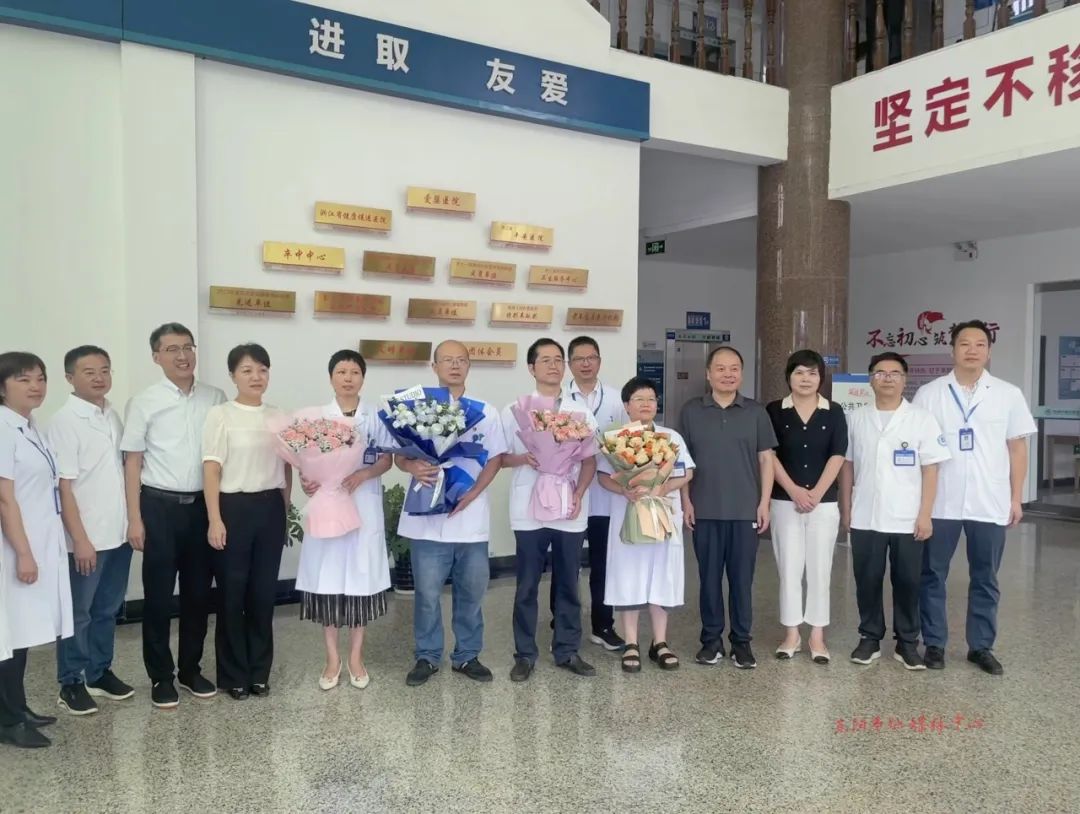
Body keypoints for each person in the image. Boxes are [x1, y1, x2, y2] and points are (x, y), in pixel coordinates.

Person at [912, 320, 1036, 676]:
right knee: (932, 574)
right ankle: (934, 644)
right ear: (952, 349)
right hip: (941, 501)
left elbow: (1017, 449)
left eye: (980, 344)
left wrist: (1016, 498)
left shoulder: (1008, 394)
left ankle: (980, 647)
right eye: (964, 343)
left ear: (989, 351)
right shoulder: (930, 393)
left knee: (986, 576)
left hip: (990, 499)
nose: (972, 350)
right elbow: (920, 449)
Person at [121, 323, 225, 709]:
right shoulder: (143, 401)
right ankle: (160, 676)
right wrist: (135, 518)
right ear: (156, 357)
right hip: (159, 507)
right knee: (159, 597)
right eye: (171, 349)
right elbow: (133, 463)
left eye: (187, 347)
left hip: (202, 508)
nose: (182, 356)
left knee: (198, 594)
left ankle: (190, 670)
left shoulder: (215, 397)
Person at [397, 341, 507, 687]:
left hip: (470, 516)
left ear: (469, 366)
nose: (455, 365)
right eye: (447, 360)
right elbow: (400, 456)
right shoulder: (416, 410)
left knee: (471, 592)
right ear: (434, 367)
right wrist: (412, 466)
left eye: (461, 360)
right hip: (427, 518)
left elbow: (496, 458)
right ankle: (427, 656)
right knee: (427, 594)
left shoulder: (485, 411)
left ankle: (467, 655)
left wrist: (474, 493)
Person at [839, 352, 949, 670]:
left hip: (908, 517)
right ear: (870, 378)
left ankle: (907, 642)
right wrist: (846, 507)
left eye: (894, 373)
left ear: (904, 379)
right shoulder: (856, 418)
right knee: (867, 579)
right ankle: (870, 637)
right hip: (866, 515)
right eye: (880, 372)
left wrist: (925, 514)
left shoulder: (922, 419)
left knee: (908, 581)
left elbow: (931, 469)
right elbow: (847, 467)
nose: (887, 378)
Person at [295, 350, 392, 691]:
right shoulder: (316, 419)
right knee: (329, 580)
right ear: (331, 377)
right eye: (341, 371)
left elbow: (386, 460)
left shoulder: (376, 417)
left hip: (363, 503)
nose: (348, 377)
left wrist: (364, 474)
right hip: (329, 506)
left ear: (363, 377)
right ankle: (332, 658)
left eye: (354, 372)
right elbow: (305, 462)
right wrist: (306, 480)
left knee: (360, 582)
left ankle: (356, 657)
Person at [503, 338, 598, 682]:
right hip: (528, 506)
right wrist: (524, 458)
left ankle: (567, 650)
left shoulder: (580, 411)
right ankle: (525, 654)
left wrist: (580, 492)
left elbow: (590, 460)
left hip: (569, 505)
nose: (554, 365)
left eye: (559, 359)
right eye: (546, 360)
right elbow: (500, 458)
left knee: (569, 582)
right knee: (527, 583)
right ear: (531, 368)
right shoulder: (514, 409)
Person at [47, 346, 134, 716]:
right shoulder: (65, 421)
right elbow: (63, 487)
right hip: (85, 539)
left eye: (105, 370)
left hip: (118, 533)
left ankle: (99, 673)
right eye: (89, 372)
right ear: (70, 378)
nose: (99, 378)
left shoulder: (111, 414)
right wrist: (80, 540)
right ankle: (71, 682)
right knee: (78, 614)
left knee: (107, 610)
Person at [202, 343, 290, 700]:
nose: (256, 377)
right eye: (247, 370)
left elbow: (286, 467)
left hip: (270, 509)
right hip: (232, 508)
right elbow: (211, 469)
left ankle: (259, 672)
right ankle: (233, 675)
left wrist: (285, 510)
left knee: (263, 595)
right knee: (231, 594)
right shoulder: (221, 414)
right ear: (233, 375)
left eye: (262, 370)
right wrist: (214, 519)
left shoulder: (279, 415)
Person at [679, 346, 775, 670]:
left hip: (745, 511)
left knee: (741, 581)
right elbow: (682, 462)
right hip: (704, 510)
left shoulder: (755, 412)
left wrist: (764, 503)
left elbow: (766, 460)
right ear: (708, 374)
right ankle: (710, 641)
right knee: (708, 580)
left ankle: (741, 643)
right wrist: (686, 501)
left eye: (734, 368)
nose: (728, 374)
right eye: (720, 368)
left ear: (742, 374)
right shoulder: (691, 411)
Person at [0, 352, 72, 748]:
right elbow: (4, 499)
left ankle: (17, 708)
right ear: (2, 387)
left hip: (36, 542)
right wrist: (24, 553)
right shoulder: (2, 428)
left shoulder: (29, 426)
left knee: (22, 632)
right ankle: (9, 721)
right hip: (13, 547)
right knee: (8, 634)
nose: (36, 386)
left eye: (41, 378)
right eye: (24, 379)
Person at [597, 377, 694, 673]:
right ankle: (630, 642)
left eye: (651, 399)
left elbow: (686, 473)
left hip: (662, 514)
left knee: (661, 572)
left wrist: (662, 488)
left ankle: (659, 642)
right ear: (626, 405)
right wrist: (624, 491)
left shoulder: (671, 437)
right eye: (639, 399)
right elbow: (602, 477)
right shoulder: (614, 440)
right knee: (629, 573)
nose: (646, 404)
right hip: (628, 512)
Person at [766, 350, 848, 664]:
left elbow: (838, 455)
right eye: (799, 372)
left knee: (819, 570)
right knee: (788, 569)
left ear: (821, 378)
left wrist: (815, 494)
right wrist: (794, 491)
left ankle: (816, 635)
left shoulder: (834, 412)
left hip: (823, 505)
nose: (805, 379)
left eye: (812, 373)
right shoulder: (775, 410)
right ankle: (791, 634)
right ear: (789, 376)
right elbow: (769, 455)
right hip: (784, 501)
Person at [563, 336, 628, 652]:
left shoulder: (617, 400)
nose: (586, 363)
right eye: (579, 358)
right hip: (567, 493)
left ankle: (603, 625)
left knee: (603, 563)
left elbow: (629, 444)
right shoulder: (559, 400)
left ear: (600, 361)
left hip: (605, 494)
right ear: (570, 364)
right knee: (566, 564)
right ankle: (563, 624)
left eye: (591, 357)